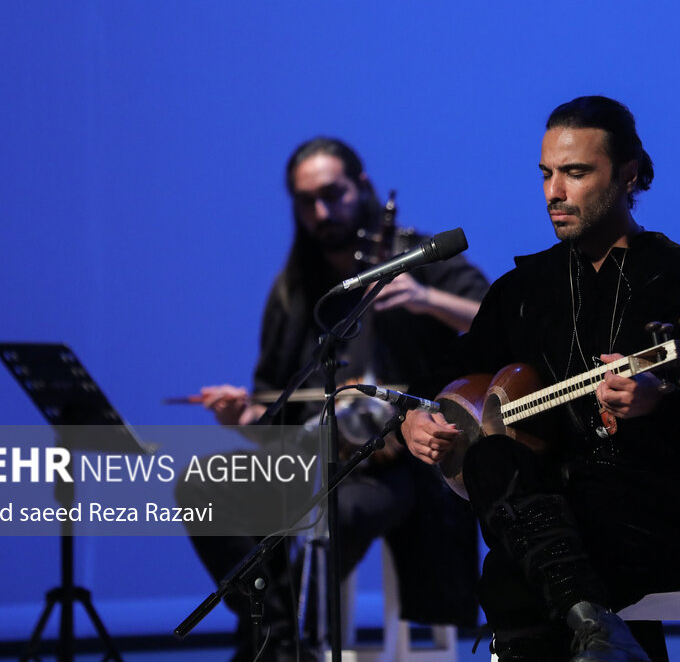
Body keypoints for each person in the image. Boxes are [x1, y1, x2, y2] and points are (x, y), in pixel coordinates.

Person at [402, 96, 680, 662]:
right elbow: (445, 374)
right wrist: (414, 417)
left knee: (511, 572)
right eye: (547, 174)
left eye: (576, 173)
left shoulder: (678, 279)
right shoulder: (526, 288)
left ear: (629, 175)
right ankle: (597, 630)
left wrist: (659, 403)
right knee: (489, 463)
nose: (554, 192)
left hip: (658, 514)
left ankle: (592, 630)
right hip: (556, 509)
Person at [175, 137, 490, 662]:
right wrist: (246, 415)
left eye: (333, 194)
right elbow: (274, 417)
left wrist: (423, 296)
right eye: (306, 201)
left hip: (398, 466)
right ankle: (280, 635)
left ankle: (273, 643)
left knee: (332, 512)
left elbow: (492, 317)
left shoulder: (417, 256)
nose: (322, 212)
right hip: (309, 456)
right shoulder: (297, 289)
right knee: (204, 484)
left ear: (361, 187)